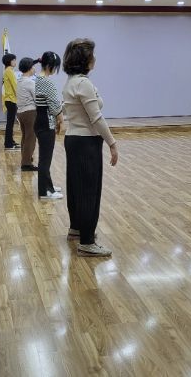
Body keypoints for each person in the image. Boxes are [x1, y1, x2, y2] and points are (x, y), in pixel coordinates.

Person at [62, 38, 118, 257]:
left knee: (76, 187)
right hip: (86, 142)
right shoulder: (83, 84)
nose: (95, 58)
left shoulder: (71, 82)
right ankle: (87, 242)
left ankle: (76, 228)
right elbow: (96, 118)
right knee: (88, 191)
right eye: (92, 55)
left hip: (73, 139)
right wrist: (112, 143)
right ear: (85, 59)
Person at [34, 51, 65, 199]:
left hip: (39, 120)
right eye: (55, 66)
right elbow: (54, 105)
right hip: (46, 122)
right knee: (45, 159)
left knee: (44, 157)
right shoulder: (47, 82)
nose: (55, 69)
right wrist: (61, 121)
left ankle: (48, 185)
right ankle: (45, 191)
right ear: (49, 66)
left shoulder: (38, 78)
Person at [16, 57, 39, 171]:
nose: (34, 68)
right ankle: (26, 164)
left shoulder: (19, 81)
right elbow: (37, 99)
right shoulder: (30, 82)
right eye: (33, 66)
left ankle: (26, 159)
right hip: (30, 113)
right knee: (31, 138)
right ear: (30, 68)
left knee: (25, 137)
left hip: (21, 113)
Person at [2, 53, 20, 150]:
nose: (15, 62)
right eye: (13, 60)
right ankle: (8, 144)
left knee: (10, 123)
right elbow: (15, 86)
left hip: (10, 100)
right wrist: (21, 98)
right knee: (10, 123)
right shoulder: (9, 71)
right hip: (11, 100)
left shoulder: (8, 70)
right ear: (9, 61)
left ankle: (10, 141)